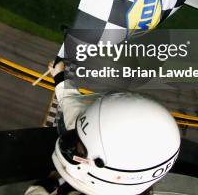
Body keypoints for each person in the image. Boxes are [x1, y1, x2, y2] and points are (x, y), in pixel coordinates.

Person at [26, 61, 181, 195]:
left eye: (80, 149)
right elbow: (73, 108)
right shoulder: (92, 134)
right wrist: (59, 75)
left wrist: (49, 183)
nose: (71, 146)